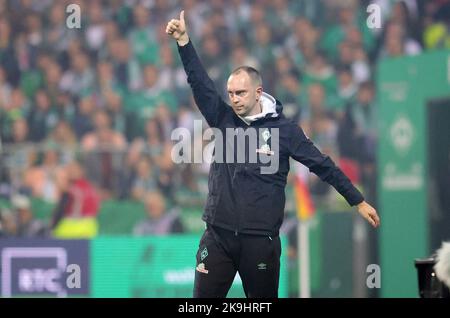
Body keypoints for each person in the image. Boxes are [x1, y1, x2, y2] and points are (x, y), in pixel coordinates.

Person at [166, 11, 380, 298]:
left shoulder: (285, 130)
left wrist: (357, 199)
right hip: (218, 236)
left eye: (240, 93)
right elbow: (200, 83)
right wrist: (184, 42)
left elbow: (321, 164)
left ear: (258, 92)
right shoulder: (222, 118)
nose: (234, 99)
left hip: (260, 241)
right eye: (230, 93)